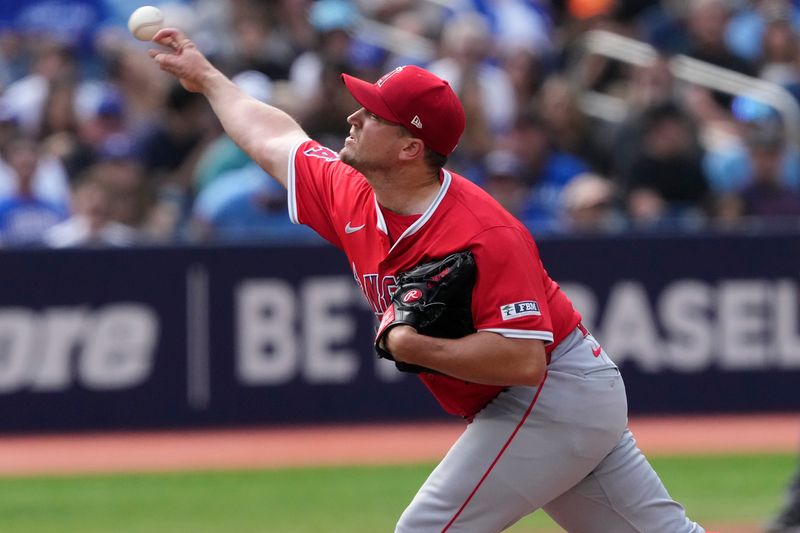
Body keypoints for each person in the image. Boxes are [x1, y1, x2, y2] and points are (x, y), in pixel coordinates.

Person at [148, 28, 706, 532]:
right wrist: (209, 78)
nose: (353, 117)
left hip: (553, 392)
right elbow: (273, 137)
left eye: (372, 115)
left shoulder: (483, 231)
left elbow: (522, 361)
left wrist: (415, 344)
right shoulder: (352, 189)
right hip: (552, 400)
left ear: (410, 148)